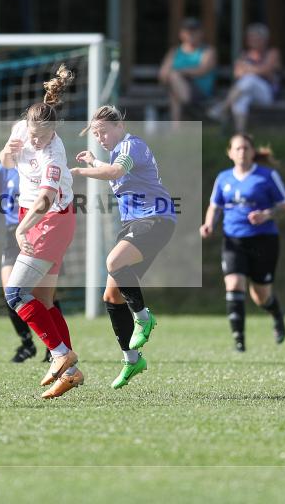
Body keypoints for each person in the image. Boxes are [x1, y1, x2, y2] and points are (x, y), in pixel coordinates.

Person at [71, 105, 177, 388]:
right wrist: (94, 160)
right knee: (111, 297)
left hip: (156, 218)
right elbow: (111, 168)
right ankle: (132, 360)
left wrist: (82, 170)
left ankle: (144, 318)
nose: (101, 137)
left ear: (120, 126)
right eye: (96, 134)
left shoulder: (132, 146)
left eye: (104, 131)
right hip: (134, 224)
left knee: (113, 262)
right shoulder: (114, 152)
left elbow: (115, 171)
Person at [0, 64, 82, 399]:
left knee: (15, 294)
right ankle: (71, 372)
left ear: (54, 131)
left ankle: (61, 354)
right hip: (35, 218)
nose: (35, 140)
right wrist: (8, 152)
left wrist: (23, 227)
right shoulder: (22, 128)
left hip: (50, 221)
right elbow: (6, 161)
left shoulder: (54, 152)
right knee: (44, 300)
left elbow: (47, 199)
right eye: (33, 134)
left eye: (41, 136)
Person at [0, 164, 66, 363]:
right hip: (13, 233)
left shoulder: (41, 162)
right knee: (10, 290)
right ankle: (27, 344)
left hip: (40, 229)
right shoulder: (5, 166)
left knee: (45, 295)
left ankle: (55, 348)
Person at [200, 134, 285, 352]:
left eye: (246, 148)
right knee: (233, 284)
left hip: (264, 241)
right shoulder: (223, 178)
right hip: (233, 240)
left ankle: (276, 313)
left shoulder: (267, 176)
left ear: (252, 152)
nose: (242, 152)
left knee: (260, 295)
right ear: (230, 153)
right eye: (237, 149)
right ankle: (239, 340)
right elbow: (215, 206)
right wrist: (208, 224)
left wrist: (267, 214)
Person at [209, 24, 281, 133]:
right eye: (250, 37)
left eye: (256, 37)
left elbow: (266, 70)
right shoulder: (244, 54)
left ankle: (224, 107)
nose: (252, 40)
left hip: (267, 94)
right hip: (248, 91)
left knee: (249, 79)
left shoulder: (272, 53)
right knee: (241, 99)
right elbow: (237, 73)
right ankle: (240, 134)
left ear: (264, 39)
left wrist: (248, 68)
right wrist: (256, 69)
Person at [158, 17, 217, 124]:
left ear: (201, 33)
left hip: (200, 90)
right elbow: (163, 73)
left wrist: (180, 72)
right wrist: (171, 75)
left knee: (174, 80)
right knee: (173, 86)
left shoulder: (208, 51)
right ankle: (177, 128)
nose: (191, 35)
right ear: (181, 34)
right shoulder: (174, 52)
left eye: (194, 32)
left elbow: (202, 70)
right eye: (188, 32)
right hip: (177, 87)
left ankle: (177, 124)